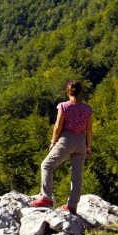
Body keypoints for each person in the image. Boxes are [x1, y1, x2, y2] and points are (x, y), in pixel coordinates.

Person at [29, 79, 93, 214]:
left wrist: (53, 142)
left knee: (46, 165)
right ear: (80, 92)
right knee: (77, 175)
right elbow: (89, 130)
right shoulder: (87, 109)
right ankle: (72, 206)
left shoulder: (63, 106)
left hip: (66, 140)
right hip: (81, 142)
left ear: (68, 91)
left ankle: (46, 197)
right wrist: (88, 147)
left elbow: (58, 126)